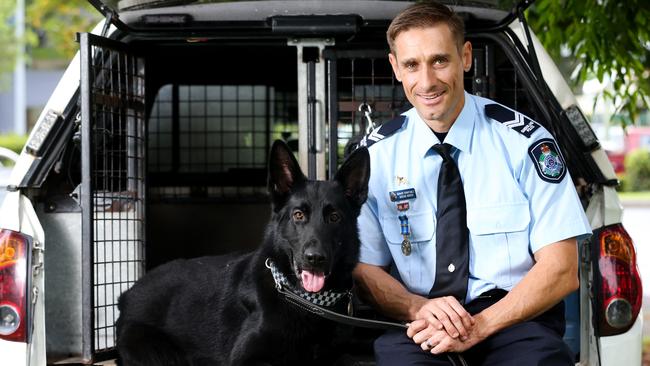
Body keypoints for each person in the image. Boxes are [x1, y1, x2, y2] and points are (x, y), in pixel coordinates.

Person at [351, 2, 592, 365]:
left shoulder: (524, 143)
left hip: (514, 321)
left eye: (439, 61)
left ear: (465, 57)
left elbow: (560, 269)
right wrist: (418, 307)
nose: (427, 81)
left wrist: (478, 326)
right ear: (395, 68)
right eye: (412, 65)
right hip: (419, 322)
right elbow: (363, 266)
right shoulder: (375, 157)